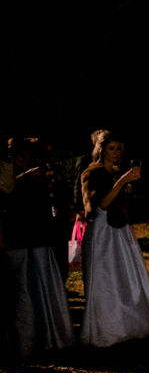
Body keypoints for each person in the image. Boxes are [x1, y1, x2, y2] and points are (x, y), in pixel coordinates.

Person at [80, 132, 149, 347]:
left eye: (119, 148)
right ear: (101, 150)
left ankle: (129, 324)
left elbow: (116, 200)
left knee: (126, 277)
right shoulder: (92, 173)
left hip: (120, 230)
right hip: (102, 231)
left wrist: (124, 187)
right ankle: (107, 330)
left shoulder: (115, 172)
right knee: (105, 278)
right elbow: (101, 205)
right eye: (111, 148)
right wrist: (120, 183)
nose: (116, 153)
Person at [1, 137, 75, 357]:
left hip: (39, 235)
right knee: (22, 288)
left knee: (43, 285)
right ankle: (24, 340)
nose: (25, 160)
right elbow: (7, 196)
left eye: (28, 156)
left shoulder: (42, 173)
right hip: (17, 237)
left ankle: (49, 335)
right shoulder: (8, 176)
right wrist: (24, 178)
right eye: (21, 156)